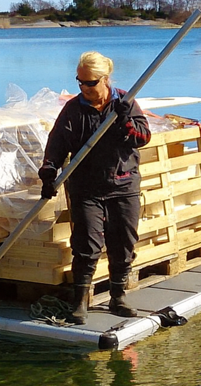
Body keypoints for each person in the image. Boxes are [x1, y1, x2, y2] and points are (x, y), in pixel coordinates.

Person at [38, 51, 151, 324]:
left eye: (90, 83)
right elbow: (56, 144)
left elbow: (143, 137)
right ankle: (80, 302)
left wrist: (124, 120)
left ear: (105, 79)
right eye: (80, 82)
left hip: (123, 183)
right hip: (86, 187)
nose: (84, 88)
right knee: (86, 244)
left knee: (123, 242)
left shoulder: (125, 102)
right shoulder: (74, 109)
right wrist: (49, 172)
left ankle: (117, 297)